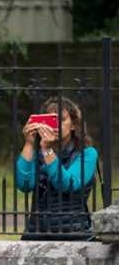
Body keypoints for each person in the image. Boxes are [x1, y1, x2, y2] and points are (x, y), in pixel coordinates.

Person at [17, 97, 98, 241]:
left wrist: (47, 150)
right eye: (50, 120)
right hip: (36, 233)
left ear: (73, 125)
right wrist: (29, 144)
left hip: (73, 234)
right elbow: (24, 185)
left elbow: (67, 184)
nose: (55, 126)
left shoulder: (87, 154)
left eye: (61, 120)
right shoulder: (38, 151)